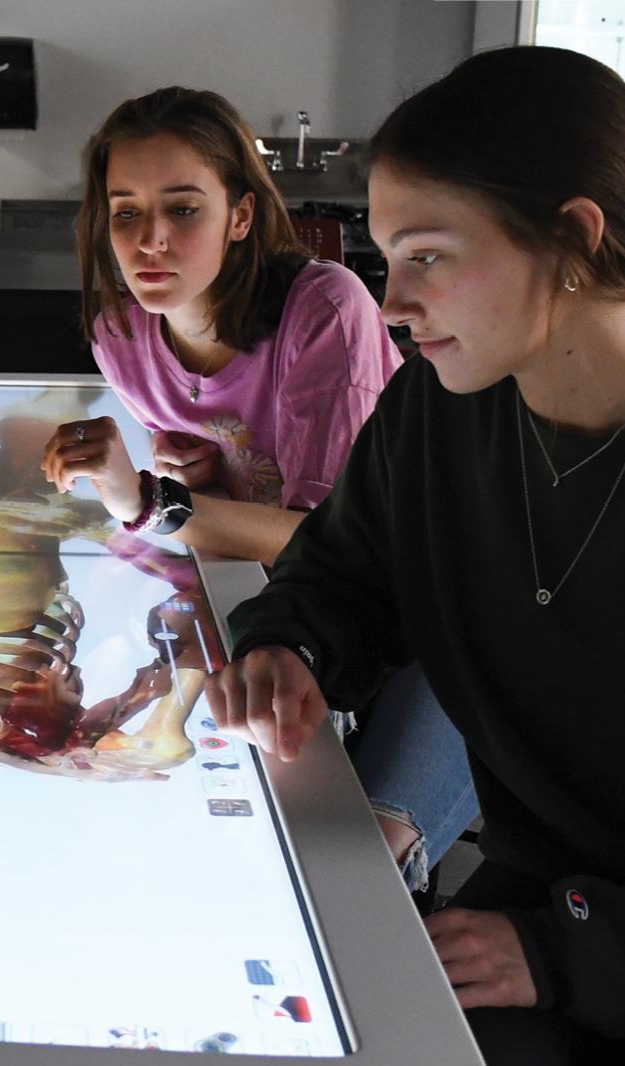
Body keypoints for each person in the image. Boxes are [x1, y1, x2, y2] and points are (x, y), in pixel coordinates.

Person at [211, 47, 625, 1066]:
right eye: (387, 262)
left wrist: (568, 947)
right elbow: (345, 576)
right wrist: (289, 644)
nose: (392, 307)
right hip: (537, 904)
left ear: (575, 240)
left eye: (427, 256)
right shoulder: (435, 409)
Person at [42, 87, 475, 896]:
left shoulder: (327, 309)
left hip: (434, 606)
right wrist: (206, 480)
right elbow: (243, 492)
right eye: (126, 212)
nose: (151, 240)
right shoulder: (121, 336)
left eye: (183, 208)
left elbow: (322, 540)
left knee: (361, 869)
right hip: (295, 616)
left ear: (241, 216)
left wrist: (149, 501)